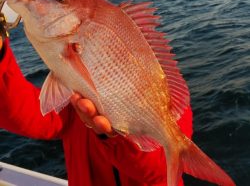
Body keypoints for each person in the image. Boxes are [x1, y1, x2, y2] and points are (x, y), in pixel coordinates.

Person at [0, 36, 193, 186]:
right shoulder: (76, 97)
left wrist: (114, 135)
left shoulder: (163, 93)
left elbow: (159, 170)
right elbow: (28, 114)